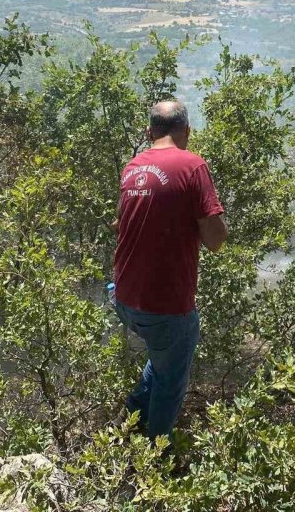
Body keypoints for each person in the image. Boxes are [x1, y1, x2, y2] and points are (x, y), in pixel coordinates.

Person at [113, 100, 227, 442]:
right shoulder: (192, 166)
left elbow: (119, 222)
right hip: (165, 307)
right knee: (170, 384)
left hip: (124, 298)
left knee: (161, 358)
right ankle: (153, 459)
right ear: (187, 131)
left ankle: (129, 421)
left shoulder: (132, 167)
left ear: (149, 132)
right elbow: (215, 240)